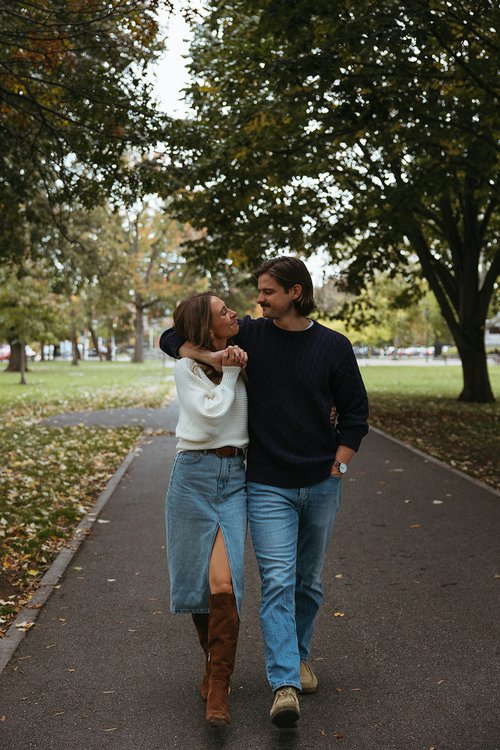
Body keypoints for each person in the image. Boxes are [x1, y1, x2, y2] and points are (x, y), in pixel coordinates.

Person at [161, 257, 369, 728]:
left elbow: (356, 413)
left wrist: (338, 465)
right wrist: (212, 357)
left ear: (296, 293)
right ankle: (284, 684)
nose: (257, 300)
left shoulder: (334, 347)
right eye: (258, 292)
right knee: (276, 581)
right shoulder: (251, 336)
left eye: (267, 292)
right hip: (267, 483)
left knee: (307, 583)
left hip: (320, 481)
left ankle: (298, 656)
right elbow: (171, 337)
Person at [164, 292, 248, 727]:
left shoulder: (244, 354)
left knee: (223, 581)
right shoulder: (187, 367)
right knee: (198, 584)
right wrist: (228, 373)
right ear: (206, 328)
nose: (234, 314)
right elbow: (210, 414)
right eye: (224, 313)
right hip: (192, 476)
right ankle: (214, 668)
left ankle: (219, 685)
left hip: (235, 478)